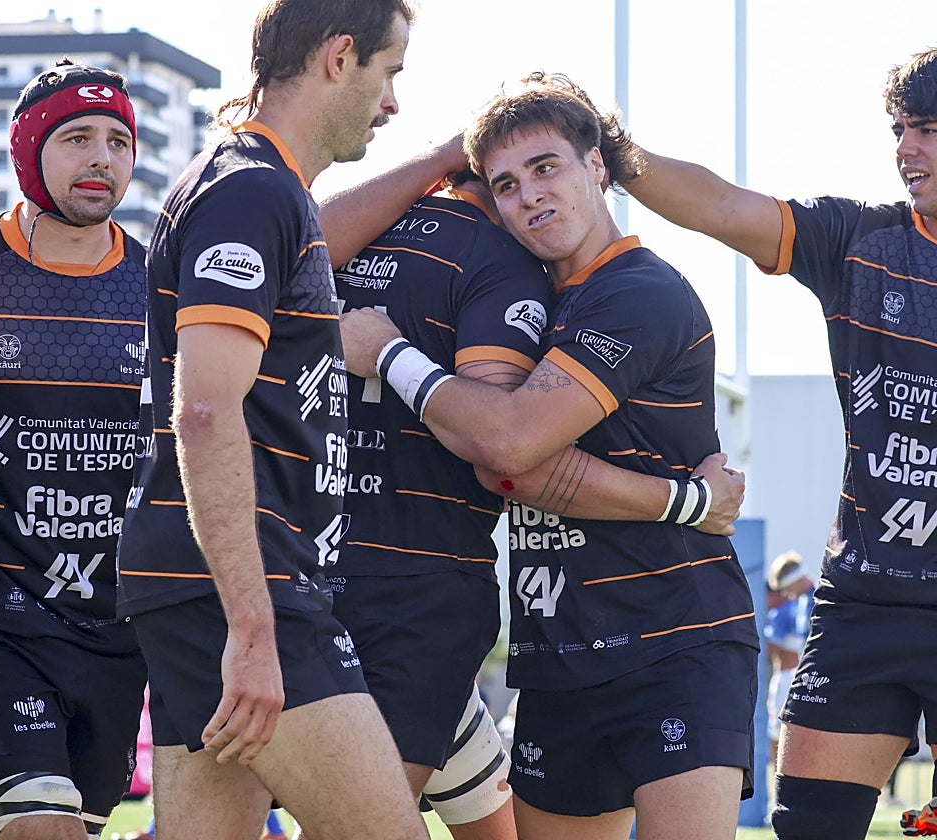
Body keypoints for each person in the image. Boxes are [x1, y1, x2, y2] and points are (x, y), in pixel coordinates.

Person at [340, 72, 759, 840]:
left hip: (675, 641)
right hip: (557, 652)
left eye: (546, 167)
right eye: (504, 183)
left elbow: (506, 448)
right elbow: (508, 462)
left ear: (597, 166)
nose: (529, 195)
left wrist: (391, 351)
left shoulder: (639, 291)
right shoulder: (513, 295)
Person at [114, 1, 431, 838]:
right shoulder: (250, 189)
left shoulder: (255, 184)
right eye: (389, 70)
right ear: (338, 58)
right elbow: (208, 411)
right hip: (237, 590)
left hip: (211, 583)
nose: (393, 100)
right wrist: (253, 626)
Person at [612, 47, 937, 840]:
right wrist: (608, 147)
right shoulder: (860, 241)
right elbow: (721, 205)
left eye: (927, 130)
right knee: (807, 829)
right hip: (866, 599)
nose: (906, 149)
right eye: (900, 130)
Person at [0, 60, 149, 840]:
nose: (101, 159)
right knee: (39, 827)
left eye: (118, 140)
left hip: (116, 633)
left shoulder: (162, 284)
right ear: (27, 150)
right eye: (77, 138)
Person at [763, 551, 814, 765]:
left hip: (797, 677)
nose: (785, 594)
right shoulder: (802, 603)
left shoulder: (814, 600)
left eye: (785, 587)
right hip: (799, 676)